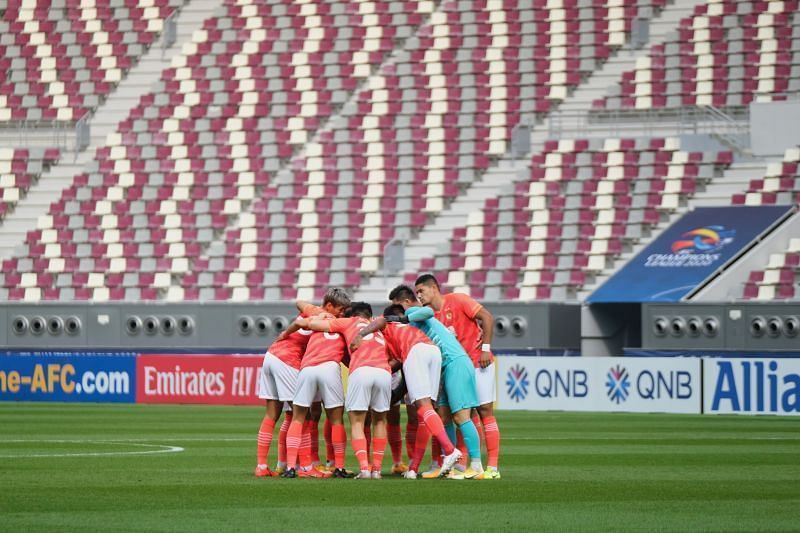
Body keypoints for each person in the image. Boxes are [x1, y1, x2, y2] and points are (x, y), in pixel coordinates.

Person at [351, 303, 460, 480]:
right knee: (427, 411)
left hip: (415, 351)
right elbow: (395, 363)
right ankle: (413, 468)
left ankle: (449, 450)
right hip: (432, 350)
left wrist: (360, 335)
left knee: (423, 407)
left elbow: (381, 322)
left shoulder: (383, 326)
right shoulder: (405, 328)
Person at [253, 287, 350, 478]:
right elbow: (300, 321)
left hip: (272, 355)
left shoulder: (312, 310)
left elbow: (298, 303)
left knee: (273, 414)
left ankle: (264, 466)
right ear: (329, 305)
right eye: (340, 309)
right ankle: (306, 467)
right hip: (289, 360)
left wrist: (285, 333)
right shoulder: (324, 316)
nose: (342, 314)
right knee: (301, 416)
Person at [415, 274, 502, 479]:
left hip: (478, 361)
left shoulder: (458, 300)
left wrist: (486, 349)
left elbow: (487, 317)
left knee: (483, 410)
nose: (419, 296)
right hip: (453, 368)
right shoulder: (429, 317)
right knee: (452, 415)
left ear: (434, 288)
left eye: (421, 291)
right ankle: (457, 463)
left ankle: (492, 468)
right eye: (416, 292)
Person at [386, 303, 486, 478]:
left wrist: (404, 317)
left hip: (455, 363)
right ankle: (450, 465)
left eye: (421, 291)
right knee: (445, 417)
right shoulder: (409, 334)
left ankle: (477, 465)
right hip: (444, 367)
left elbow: (428, 311)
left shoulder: (411, 315)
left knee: (462, 416)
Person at [301, 302, 395, 479]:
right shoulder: (379, 327)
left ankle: (364, 469)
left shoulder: (349, 322)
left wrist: (320, 317)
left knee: (357, 422)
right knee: (380, 421)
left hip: (361, 370)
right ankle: (376, 470)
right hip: (383, 371)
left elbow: (313, 325)